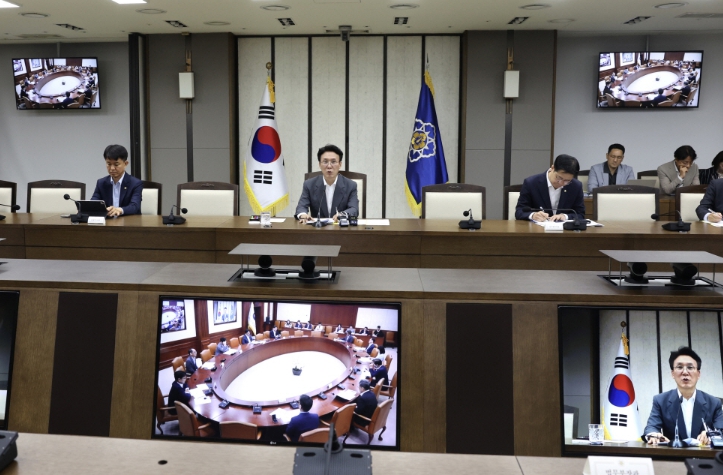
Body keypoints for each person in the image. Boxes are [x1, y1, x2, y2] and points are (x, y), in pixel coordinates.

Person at [644, 346, 723, 446]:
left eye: (690, 367)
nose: (685, 372)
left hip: (703, 454)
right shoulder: (660, 400)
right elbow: (651, 427)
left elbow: (721, 430)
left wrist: (711, 434)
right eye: (679, 367)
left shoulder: (714, 403)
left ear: (698, 374)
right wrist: (654, 435)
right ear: (673, 373)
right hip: (674, 454)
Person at [295, 144, 359, 222]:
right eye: (325, 162)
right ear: (319, 164)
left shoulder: (351, 185)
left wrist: (342, 214)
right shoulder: (309, 184)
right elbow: (301, 206)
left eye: (333, 162)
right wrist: (303, 215)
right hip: (317, 228)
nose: (329, 166)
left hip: (340, 227)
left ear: (340, 164)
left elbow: (354, 209)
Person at [515, 154, 585, 221]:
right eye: (559, 178)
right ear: (552, 168)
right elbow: (519, 211)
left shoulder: (576, 186)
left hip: (563, 228)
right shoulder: (531, 183)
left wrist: (565, 216)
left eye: (567, 181)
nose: (561, 183)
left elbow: (580, 214)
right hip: (537, 228)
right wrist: (533, 215)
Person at [90, 144, 143, 217]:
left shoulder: (135, 183)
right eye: (109, 164)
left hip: (129, 221)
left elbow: (135, 206)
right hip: (108, 222)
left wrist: (120, 210)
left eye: (116, 164)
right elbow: (94, 202)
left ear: (125, 164)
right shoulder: (101, 183)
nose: (112, 168)